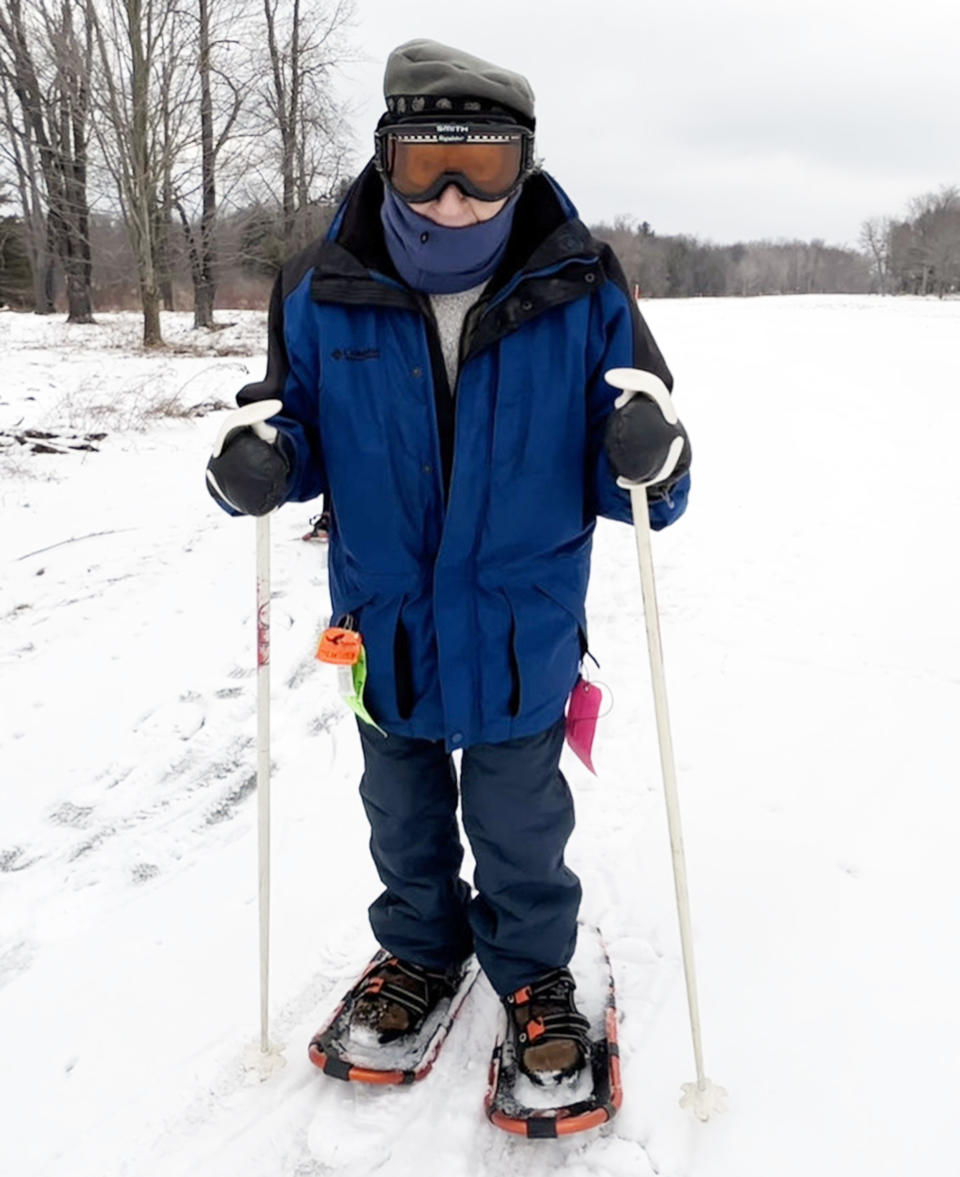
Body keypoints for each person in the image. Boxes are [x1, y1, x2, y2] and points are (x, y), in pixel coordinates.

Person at [206, 38, 691, 1085]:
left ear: (524, 163)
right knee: (403, 811)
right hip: (386, 625)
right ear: (388, 159)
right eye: (431, 165)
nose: (460, 197)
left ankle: (530, 972)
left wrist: (648, 456)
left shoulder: (582, 281)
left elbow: (651, 454)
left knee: (520, 822)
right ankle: (422, 952)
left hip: (524, 625)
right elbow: (288, 426)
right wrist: (258, 461)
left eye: (486, 165)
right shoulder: (319, 283)